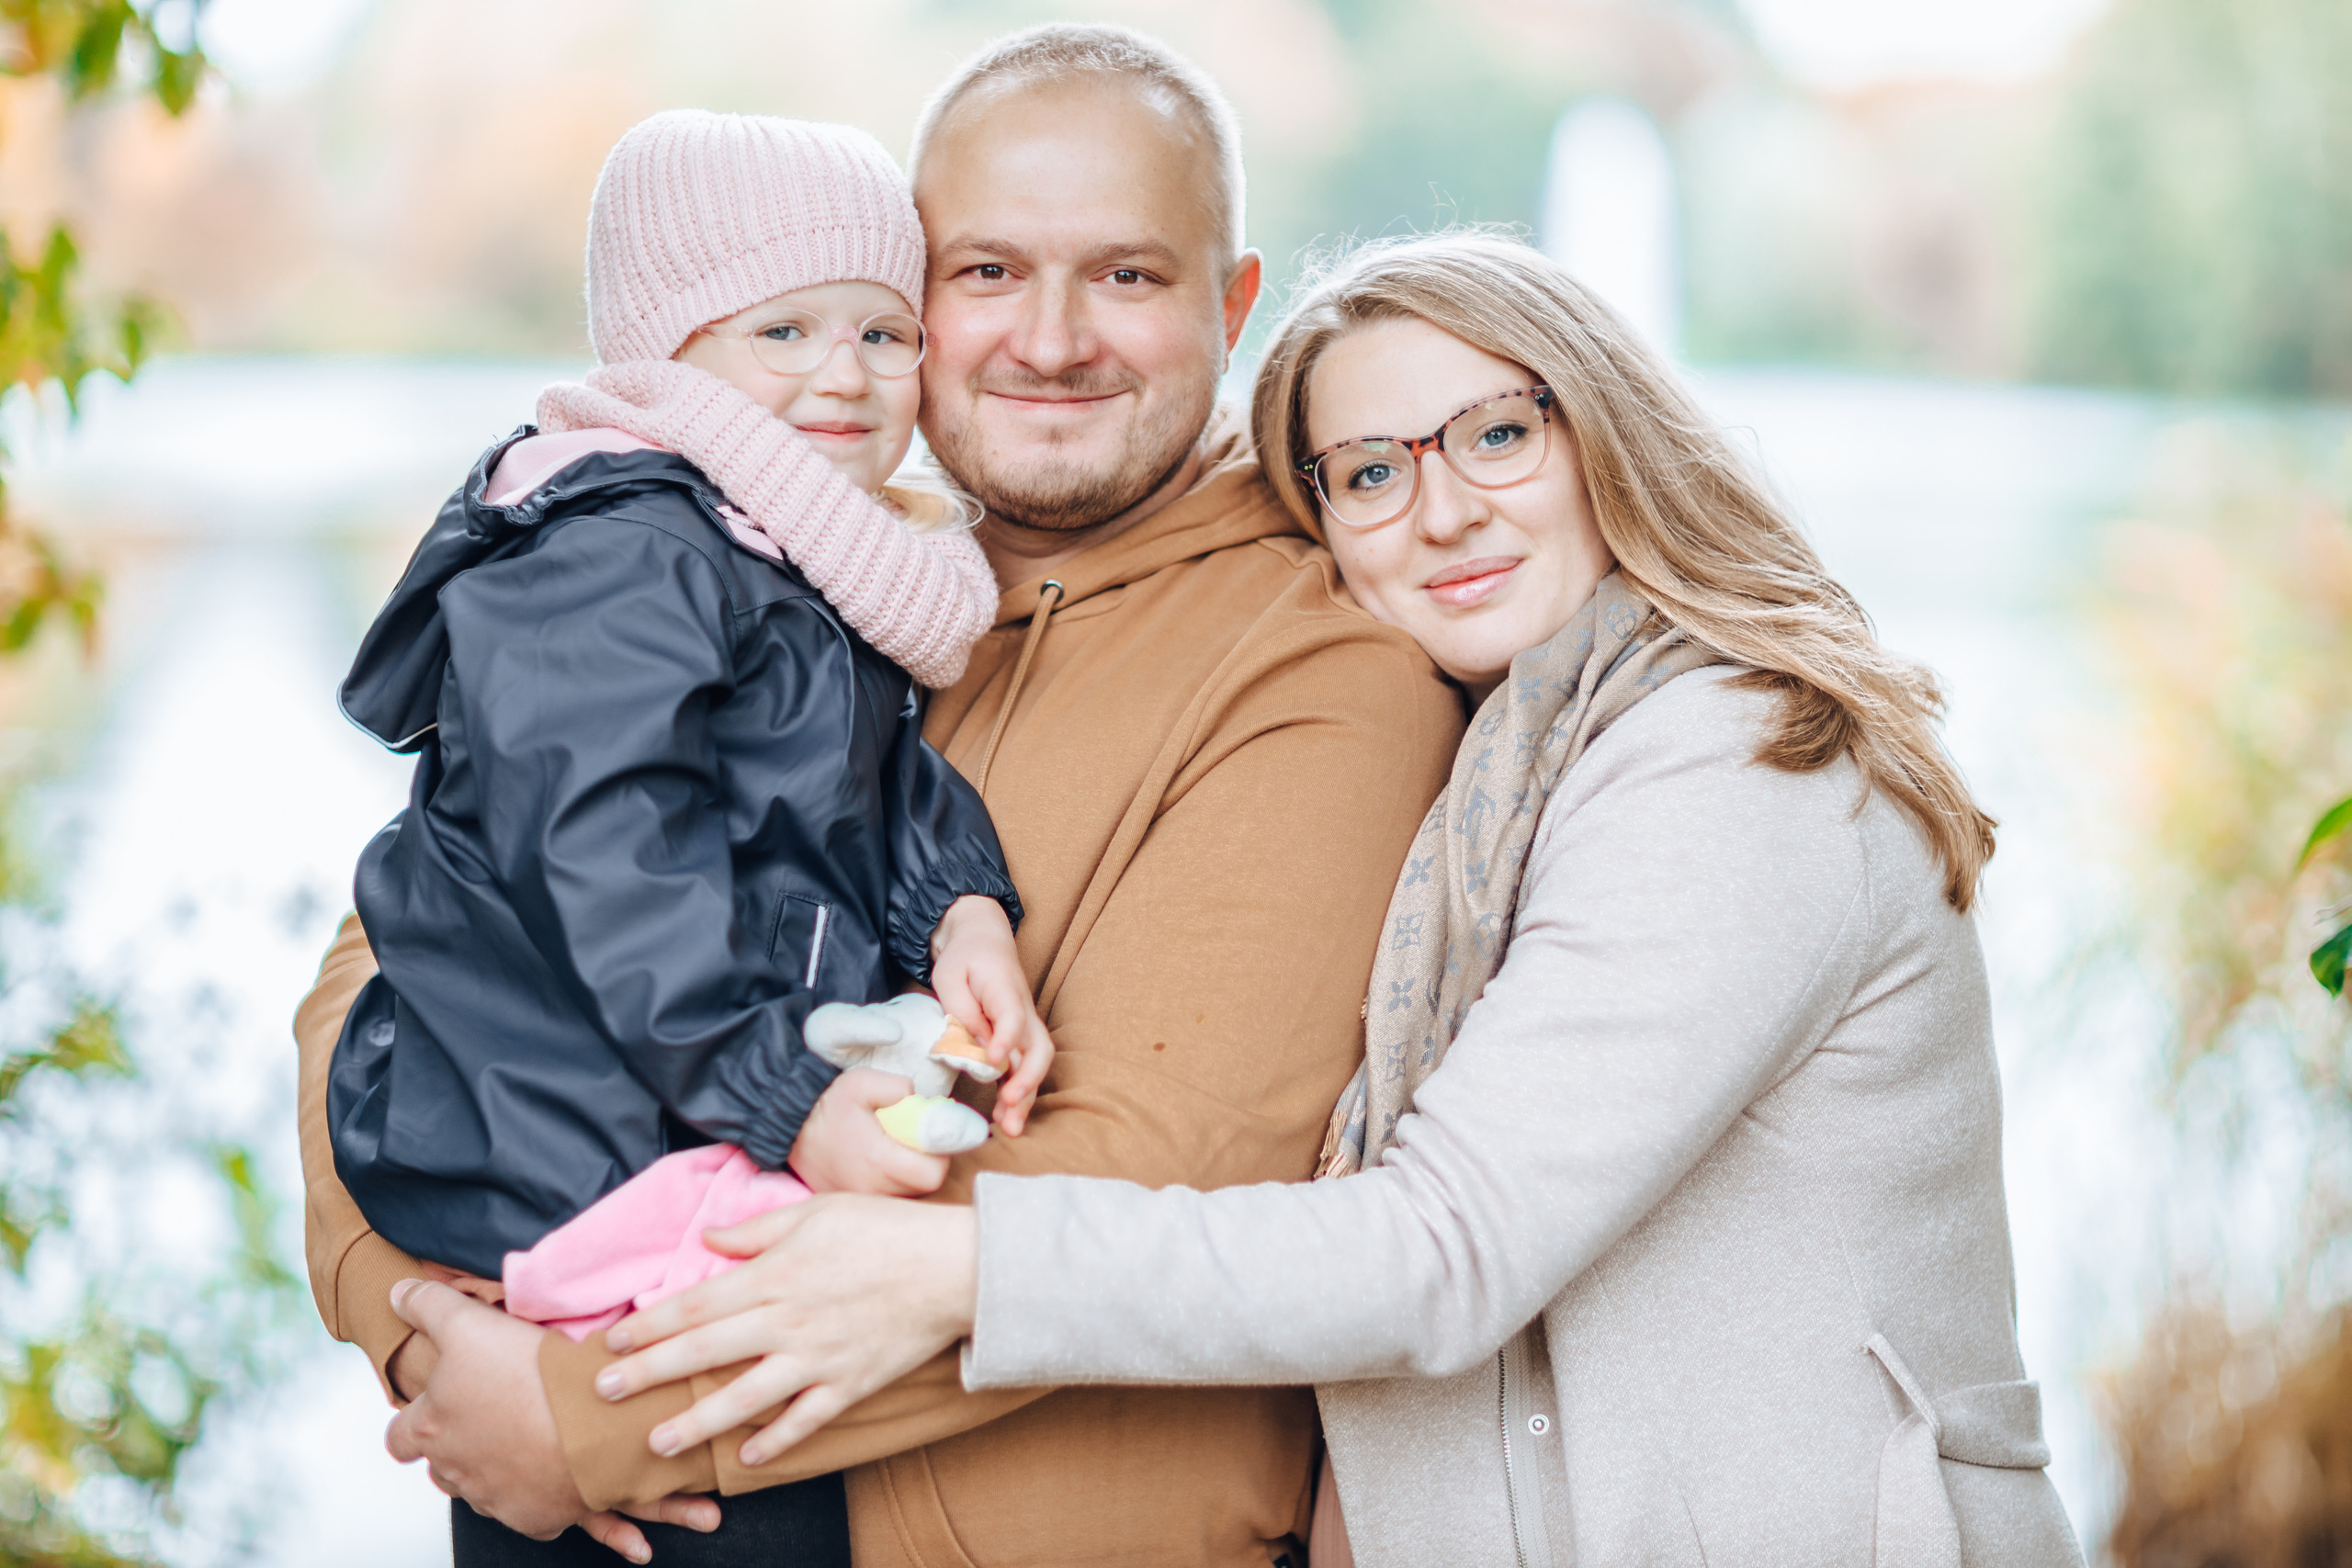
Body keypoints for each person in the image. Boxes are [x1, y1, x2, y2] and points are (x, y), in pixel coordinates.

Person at [576, 231, 2090, 1568]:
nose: (1440, 513)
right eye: (1369, 471)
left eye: (1498, 432)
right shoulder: (1496, 765)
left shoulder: (1735, 767)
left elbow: (1440, 1248)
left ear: (1612, 436)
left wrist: (955, 1267)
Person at [291, 25, 1464, 1568]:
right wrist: (420, 1323)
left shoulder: (1320, 670)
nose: (1050, 341)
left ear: (1230, 304)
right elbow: (395, 956)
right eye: (985, 273)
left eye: (1126, 275)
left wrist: (584, 1416)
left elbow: (1136, 1173)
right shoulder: (812, 565)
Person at [323, 109, 1059, 1563]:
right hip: (546, 1123)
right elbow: (613, 867)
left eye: (882, 333)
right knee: (674, 1480)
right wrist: (788, 1092)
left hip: (652, 1117)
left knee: (746, 1449)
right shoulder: (621, 552)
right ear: (667, 355)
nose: (841, 377)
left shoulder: (786, 550)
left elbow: (856, 776)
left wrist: (963, 907)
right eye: (780, 330)